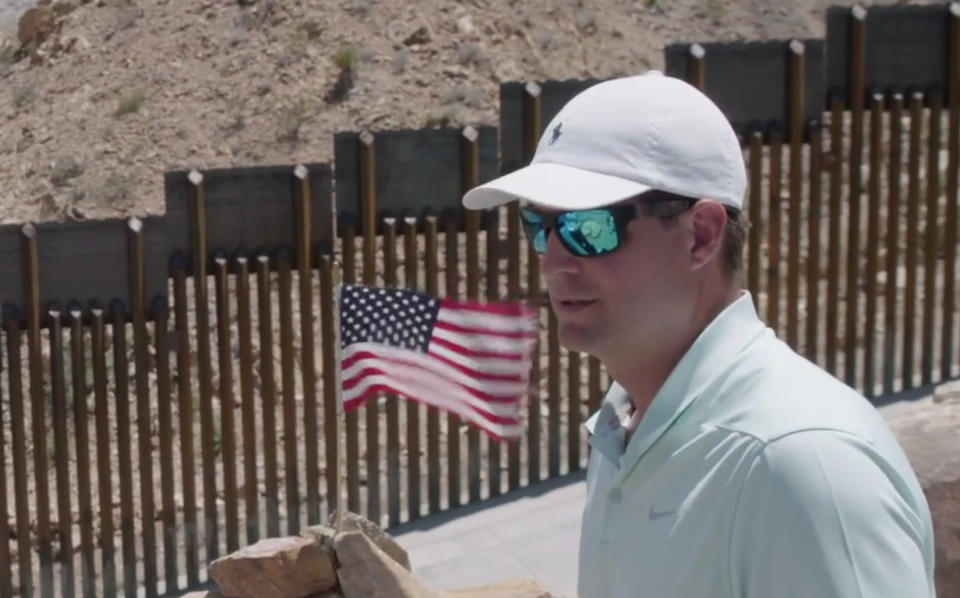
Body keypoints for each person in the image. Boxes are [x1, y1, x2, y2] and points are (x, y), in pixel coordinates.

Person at [461, 72, 936, 597]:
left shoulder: (800, 464)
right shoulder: (626, 427)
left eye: (588, 226)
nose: (551, 260)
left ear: (701, 235)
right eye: (538, 226)